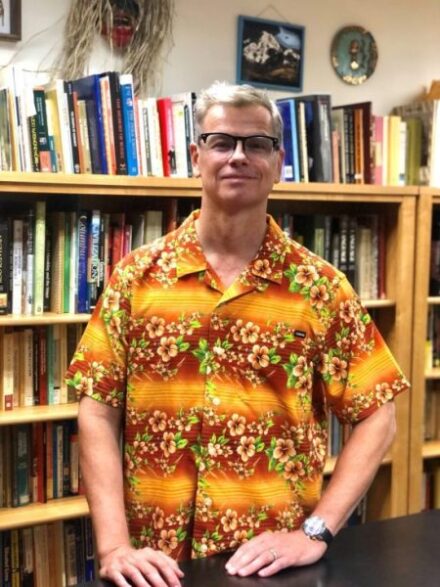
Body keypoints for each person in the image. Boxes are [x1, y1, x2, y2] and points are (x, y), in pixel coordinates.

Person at [66, 81, 409, 587]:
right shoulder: (136, 278)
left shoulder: (319, 288)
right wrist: (115, 544)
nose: (238, 157)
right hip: (153, 565)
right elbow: (97, 411)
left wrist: (316, 532)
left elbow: (378, 414)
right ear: (196, 155)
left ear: (278, 161)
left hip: (268, 564)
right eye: (222, 142)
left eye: (257, 144)